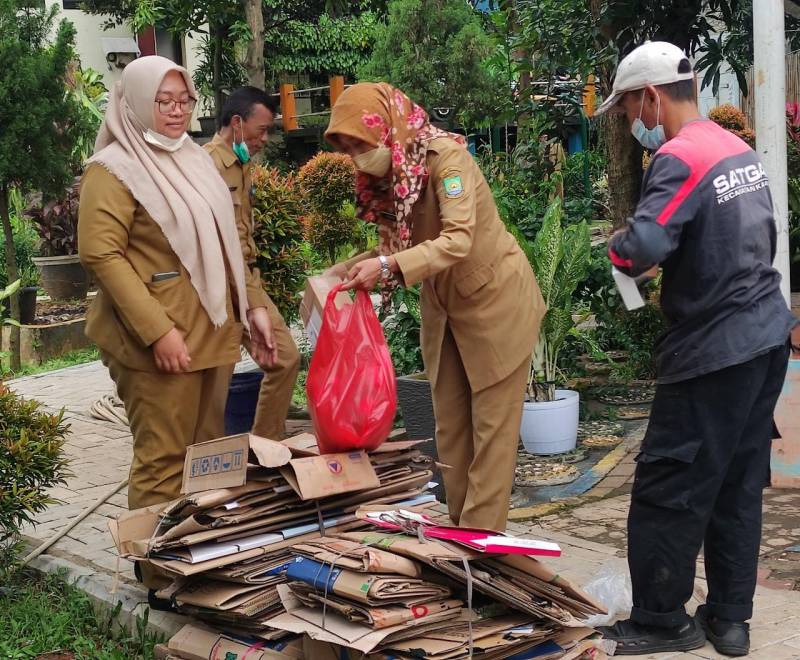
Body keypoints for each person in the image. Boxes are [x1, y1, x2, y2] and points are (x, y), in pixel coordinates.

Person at [594, 42, 798, 656]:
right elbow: (744, 236)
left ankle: (662, 621)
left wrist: (616, 248)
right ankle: (730, 619)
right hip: (766, 339)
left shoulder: (680, 157)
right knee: (736, 482)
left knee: (669, 486)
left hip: (714, 351)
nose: (633, 117)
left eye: (631, 103)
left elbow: (643, 247)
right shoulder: (739, 151)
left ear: (651, 96)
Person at [78, 56, 273, 599]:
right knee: (164, 457)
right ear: (137, 102)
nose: (175, 110)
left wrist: (252, 306)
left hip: (212, 331)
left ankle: (200, 561)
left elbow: (232, 242)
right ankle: (156, 574)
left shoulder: (195, 159)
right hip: (154, 342)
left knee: (209, 453)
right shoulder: (114, 168)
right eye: (163, 101)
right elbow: (101, 253)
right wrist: (157, 331)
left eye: (184, 100)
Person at [324, 82, 546, 532]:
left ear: (386, 128)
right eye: (346, 148)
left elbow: (458, 238)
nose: (356, 157)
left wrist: (386, 265)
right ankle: (460, 534)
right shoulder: (392, 177)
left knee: (491, 438)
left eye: (360, 143)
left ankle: (478, 547)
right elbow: (401, 243)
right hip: (444, 310)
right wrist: (345, 270)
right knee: (451, 434)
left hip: (494, 305)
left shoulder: (447, 159)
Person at [204, 87, 300, 440]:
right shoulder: (207, 165)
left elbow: (242, 237)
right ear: (236, 123)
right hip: (219, 291)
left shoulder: (241, 163)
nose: (265, 138)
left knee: (284, 358)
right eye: (262, 130)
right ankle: (210, 467)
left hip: (246, 283)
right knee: (214, 384)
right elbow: (219, 246)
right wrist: (251, 302)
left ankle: (265, 449)